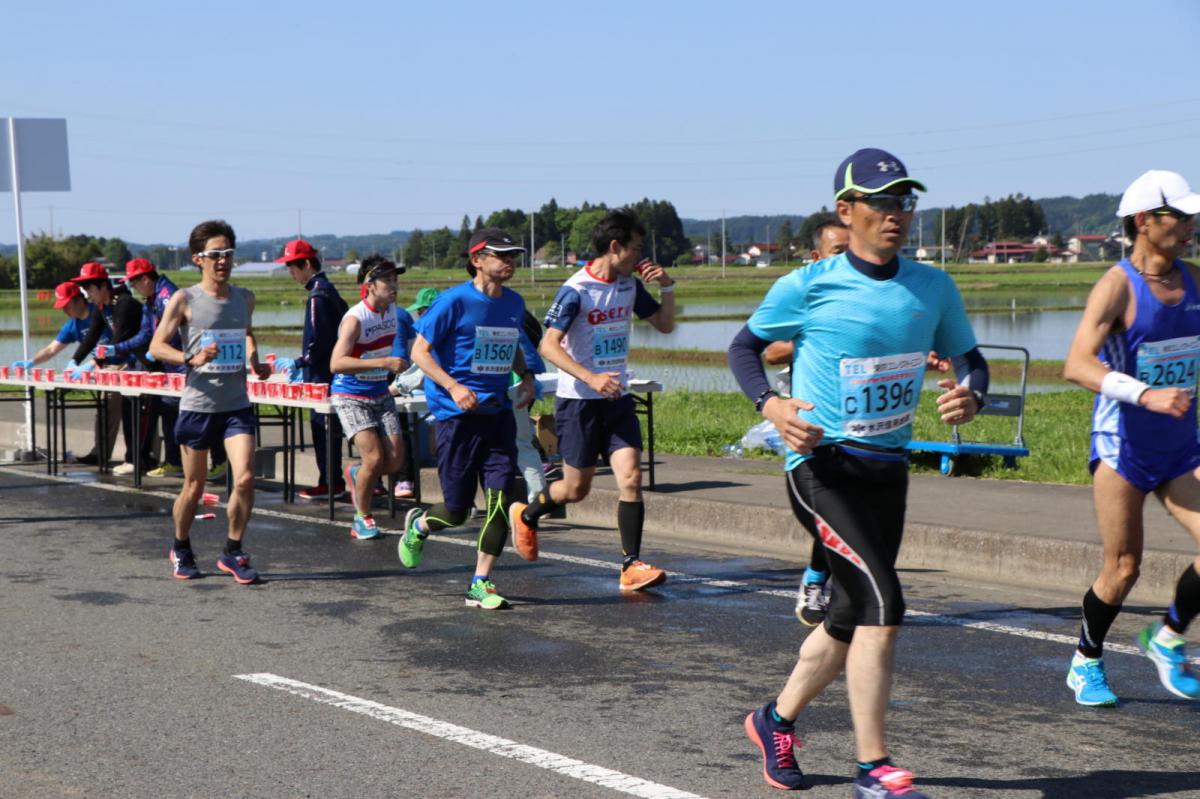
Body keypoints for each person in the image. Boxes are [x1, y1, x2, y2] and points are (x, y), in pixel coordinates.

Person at [728, 148, 987, 797]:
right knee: (883, 603)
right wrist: (774, 405)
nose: (896, 214)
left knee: (847, 616)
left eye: (905, 202)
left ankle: (774, 718)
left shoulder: (933, 286)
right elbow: (744, 348)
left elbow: (972, 359)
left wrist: (971, 394)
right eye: (883, 202)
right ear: (847, 212)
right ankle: (874, 769)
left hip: (887, 469)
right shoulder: (808, 284)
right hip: (821, 467)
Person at [1062, 169, 1200, 706]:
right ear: (1145, 222)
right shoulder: (1117, 286)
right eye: (1179, 215)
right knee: (1123, 568)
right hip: (1124, 446)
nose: (1190, 224)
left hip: (1180, 446)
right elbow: (1076, 363)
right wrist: (1145, 394)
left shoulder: (1194, 280)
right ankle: (1086, 660)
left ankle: (1165, 637)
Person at [509, 208, 675, 592]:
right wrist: (590, 377)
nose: (640, 256)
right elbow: (547, 345)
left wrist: (667, 287)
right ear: (614, 247)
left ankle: (630, 565)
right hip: (579, 401)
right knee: (576, 489)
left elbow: (664, 325)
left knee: (631, 478)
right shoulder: (577, 290)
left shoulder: (630, 285)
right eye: (635, 249)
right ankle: (528, 514)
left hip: (616, 398)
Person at [397, 228, 535, 610]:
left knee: (499, 499)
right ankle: (419, 526)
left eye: (514, 255)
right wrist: (454, 386)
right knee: (456, 511)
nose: (509, 262)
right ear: (477, 259)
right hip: (456, 417)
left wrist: (526, 377)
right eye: (501, 255)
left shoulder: (514, 303)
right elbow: (419, 352)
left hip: (497, 413)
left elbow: (513, 344)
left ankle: (480, 581)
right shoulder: (452, 302)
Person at [150, 219, 272, 584]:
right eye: (215, 254)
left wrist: (254, 359)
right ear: (198, 259)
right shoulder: (184, 300)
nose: (223, 260)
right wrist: (191, 359)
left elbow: (246, 334)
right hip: (198, 405)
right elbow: (156, 346)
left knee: (246, 477)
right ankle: (181, 546)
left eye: (228, 254)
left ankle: (233, 551)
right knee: (194, 487)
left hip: (236, 405)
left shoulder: (244, 298)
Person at [761, 218, 850, 625]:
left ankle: (840, 588)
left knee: (854, 515)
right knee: (830, 514)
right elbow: (770, 353)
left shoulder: (870, 292)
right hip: (812, 426)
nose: (849, 258)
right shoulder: (803, 294)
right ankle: (817, 580)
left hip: (862, 424)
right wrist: (817, 336)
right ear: (816, 257)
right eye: (838, 251)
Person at [328, 254, 408, 541]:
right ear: (369, 284)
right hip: (350, 394)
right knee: (375, 457)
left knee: (396, 460)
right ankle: (361, 518)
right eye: (387, 279)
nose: (393, 284)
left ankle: (357, 472)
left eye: (395, 278)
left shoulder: (394, 311)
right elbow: (336, 363)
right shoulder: (355, 319)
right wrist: (384, 363)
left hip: (379, 391)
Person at [276, 239, 351, 501]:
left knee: (323, 428)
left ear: (306, 264)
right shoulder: (327, 290)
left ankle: (330, 482)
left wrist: (299, 362)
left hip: (321, 374)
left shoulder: (318, 295)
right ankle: (330, 480)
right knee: (328, 428)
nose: (290, 273)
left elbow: (318, 340)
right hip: (329, 372)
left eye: (293, 267)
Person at [17, 280, 116, 466]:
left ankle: (138, 457)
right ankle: (100, 454)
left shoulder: (100, 312)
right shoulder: (73, 325)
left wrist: (90, 365)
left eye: (67, 305)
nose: (65, 311)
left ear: (79, 300)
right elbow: (51, 350)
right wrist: (31, 363)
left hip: (121, 366)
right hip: (100, 371)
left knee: (121, 408)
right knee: (105, 408)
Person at [71, 262, 152, 475]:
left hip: (145, 363)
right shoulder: (101, 306)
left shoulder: (123, 304)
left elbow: (119, 340)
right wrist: (75, 361)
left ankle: (138, 459)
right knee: (128, 409)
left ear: (102, 286)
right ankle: (134, 458)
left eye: (89, 288)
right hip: (130, 365)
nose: (87, 294)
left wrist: (94, 364)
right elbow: (91, 337)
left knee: (138, 412)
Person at [125, 257, 186, 478]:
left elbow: (178, 333)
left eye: (134, 282)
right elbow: (145, 334)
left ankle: (213, 461)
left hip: (180, 365)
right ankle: (174, 461)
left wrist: (162, 350)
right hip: (169, 366)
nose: (133, 287)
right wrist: (116, 348)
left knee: (185, 417)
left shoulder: (167, 296)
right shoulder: (151, 300)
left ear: (145, 278)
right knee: (169, 414)